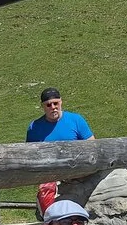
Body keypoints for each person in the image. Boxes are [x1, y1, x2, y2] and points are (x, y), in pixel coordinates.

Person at [26, 88, 97, 216]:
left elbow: (92, 146)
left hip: (78, 176)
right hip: (50, 179)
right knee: (51, 215)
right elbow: (30, 156)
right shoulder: (34, 127)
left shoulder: (76, 120)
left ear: (61, 102)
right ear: (43, 106)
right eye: (48, 105)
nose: (53, 107)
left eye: (56, 103)